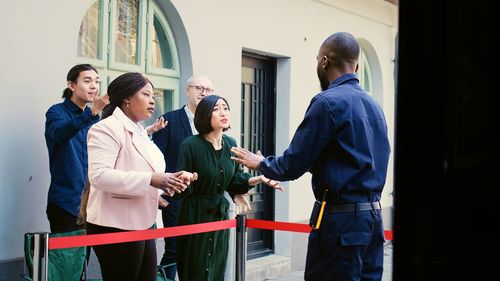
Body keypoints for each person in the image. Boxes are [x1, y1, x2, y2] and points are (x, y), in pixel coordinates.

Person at [231, 32, 391, 281]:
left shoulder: (327, 103)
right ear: (356, 66)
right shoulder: (375, 108)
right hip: (373, 221)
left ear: (324, 62)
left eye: (317, 60)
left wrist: (261, 163)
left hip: (340, 223)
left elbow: (293, 164)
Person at [85, 72, 197, 281]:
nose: (152, 100)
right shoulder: (106, 128)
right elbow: (99, 176)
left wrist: (170, 180)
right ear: (127, 98)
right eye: (146, 94)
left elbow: (147, 172)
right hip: (114, 223)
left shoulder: (140, 131)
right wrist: (153, 179)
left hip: (142, 221)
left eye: (153, 95)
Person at [152, 75, 250, 280]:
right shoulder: (170, 120)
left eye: (209, 89)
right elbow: (154, 158)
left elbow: (222, 169)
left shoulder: (224, 137)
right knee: (174, 252)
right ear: (188, 90)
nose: (204, 93)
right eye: (199, 88)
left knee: (211, 259)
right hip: (177, 200)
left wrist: (239, 189)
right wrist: (157, 194)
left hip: (211, 207)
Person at [175, 95, 283, 281]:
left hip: (220, 215)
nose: (223, 112)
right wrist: (186, 181)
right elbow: (180, 188)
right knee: (195, 269)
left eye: (225, 107)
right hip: (195, 214)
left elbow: (233, 180)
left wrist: (260, 178)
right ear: (204, 114)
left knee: (217, 267)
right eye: (216, 109)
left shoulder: (231, 144)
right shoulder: (190, 145)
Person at [44, 63, 109, 234]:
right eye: (87, 81)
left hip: (93, 204)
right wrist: (91, 112)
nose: (94, 86)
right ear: (71, 85)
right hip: (66, 203)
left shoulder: (95, 118)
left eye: (96, 81)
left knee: (84, 260)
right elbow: (60, 134)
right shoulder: (56, 112)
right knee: (68, 259)